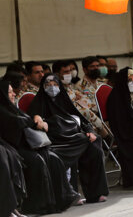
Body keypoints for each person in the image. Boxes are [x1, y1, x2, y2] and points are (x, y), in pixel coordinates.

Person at [0, 81, 79, 215]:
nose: (14, 94)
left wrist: (36, 119)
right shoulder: (2, 110)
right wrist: (35, 122)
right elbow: (17, 122)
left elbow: (24, 118)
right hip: (13, 147)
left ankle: (62, 199)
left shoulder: (12, 107)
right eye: (10, 91)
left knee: (53, 158)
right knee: (37, 161)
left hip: (26, 145)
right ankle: (37, 205)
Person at [27, 74, 109, 203]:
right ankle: (71, 195)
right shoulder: (39, 102)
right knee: (75, 148)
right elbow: (35, 120)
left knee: (94, 143)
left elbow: (82, 120)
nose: (52, 88)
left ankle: (95, 193)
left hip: (73, 138)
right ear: (43, 87)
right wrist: (40, 121)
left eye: (55, 85)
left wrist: (90, 131)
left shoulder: (64, 100)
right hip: (55, 141)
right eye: (48, 85)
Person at [52, 60, 108, 137]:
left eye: (69, 71)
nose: (69, 74)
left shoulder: (69, 87)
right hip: (71, 119)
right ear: (56, 74)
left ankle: (106, 137)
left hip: (85, 118)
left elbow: (87, 102)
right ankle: (107, 136)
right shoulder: (54, 89)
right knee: (86, 113)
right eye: (65, 72)